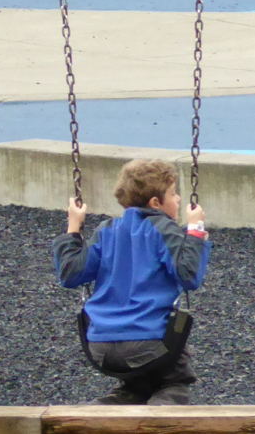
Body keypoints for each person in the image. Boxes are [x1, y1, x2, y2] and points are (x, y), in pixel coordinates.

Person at [53, 159, 210, 405]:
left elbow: (71, 274)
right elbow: (188, 276)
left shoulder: (106, 230)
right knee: (174, 383)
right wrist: (196, 231)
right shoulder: (163, 229)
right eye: (173, 193)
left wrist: (73, 227)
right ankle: (161, 419)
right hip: (148, 344)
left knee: (136, 389)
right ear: (156, 203)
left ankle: (109, 409)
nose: (179, 199)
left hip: (100, 345)